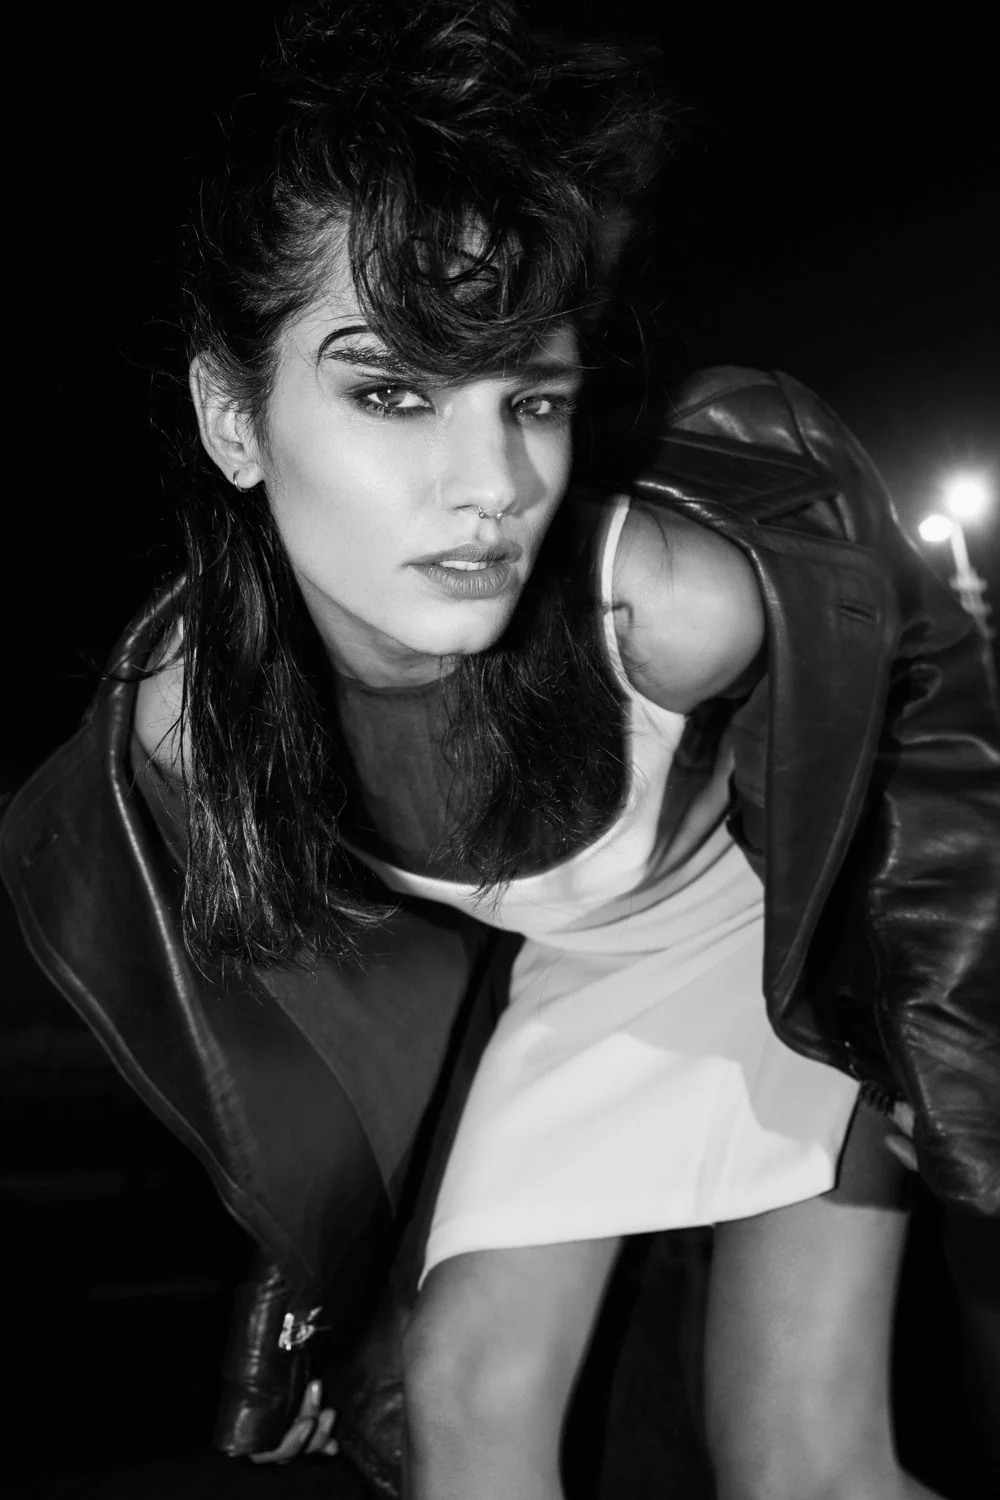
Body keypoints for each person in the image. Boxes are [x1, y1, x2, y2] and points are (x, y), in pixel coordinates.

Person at [2, 2, 997, 1497]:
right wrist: (323, 1289)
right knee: (462, 1403)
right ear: (232, 416)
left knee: (800, 1456)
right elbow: (341, 1049)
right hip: (577, 974)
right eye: (392, 391)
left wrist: (942, 1028)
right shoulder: (185, 731)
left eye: (531, 397)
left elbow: (935, 709)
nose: (490, 485)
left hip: (791, 925)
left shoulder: (667, 607)